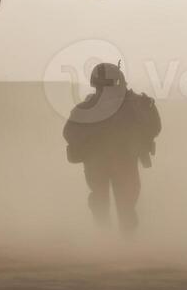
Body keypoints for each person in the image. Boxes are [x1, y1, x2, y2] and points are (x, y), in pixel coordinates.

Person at [62, 62, 160, 233]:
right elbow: (154, 127)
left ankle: (108, 240)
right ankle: (118, 240)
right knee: (123, 202)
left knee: (110, 201)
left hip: (104, 162)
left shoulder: (89, 107)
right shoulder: (136, 104)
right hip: (117, 161)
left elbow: (69, 133)